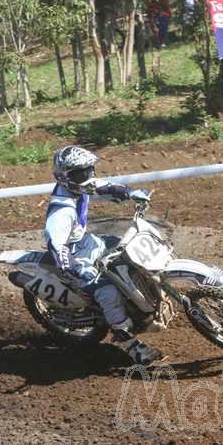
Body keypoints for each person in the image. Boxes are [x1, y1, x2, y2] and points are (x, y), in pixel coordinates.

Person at [44, 145, 163, 365]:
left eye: (90, 170)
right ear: (66, 176)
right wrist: (69, 265)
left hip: (89, 242)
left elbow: (104, 186)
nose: (89, 176)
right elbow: (55, 243)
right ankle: (131, 345)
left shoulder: (79, 186)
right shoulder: (61, 211)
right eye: (82, 173)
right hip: (74, 257)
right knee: (108, 293)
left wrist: (130, 193)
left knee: (129, 253)